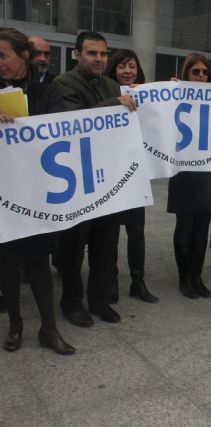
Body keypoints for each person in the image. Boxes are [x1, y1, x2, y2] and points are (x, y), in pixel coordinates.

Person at [53, 31, 137, 327]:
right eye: (92, 53)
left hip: (108, 180)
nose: (99, 59)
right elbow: (72, 122)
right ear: (77, 55)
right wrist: (113, 103)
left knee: (106, 246)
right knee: (73, 248)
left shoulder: (112, 83)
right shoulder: (63, 84)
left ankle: (99, 300)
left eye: (103, 53)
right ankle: (72, 303)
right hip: (77, 181)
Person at [0, 27, 74, 354]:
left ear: (24, 56)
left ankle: (49, 328)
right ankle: (15, 324)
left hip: (36, 192)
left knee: (40, 260)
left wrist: (23, 124)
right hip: (3, 193)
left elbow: (61, 129)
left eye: (3, 56)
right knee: (7, 262)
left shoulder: (48, 91)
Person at [168, 53, 211, 298]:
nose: (201, 76)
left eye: (205, 72)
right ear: (186, 73)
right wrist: (170, 91)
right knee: (185, 227)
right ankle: (184, 276)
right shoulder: (174, 95)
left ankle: (196, 275)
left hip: (209, 174)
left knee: (202, 228)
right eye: (196, 71)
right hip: (183, 173)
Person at [104, 49, 158, 303]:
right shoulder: (105, 93)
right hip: (113, 175)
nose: (128, 71)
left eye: (132, 66)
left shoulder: (146, 94)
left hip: (138, 174)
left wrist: (172, 90)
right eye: (122, 66)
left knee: (137, 231)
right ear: (113, 69)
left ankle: (138, 281)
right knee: (111, 233)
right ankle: (111, 280)